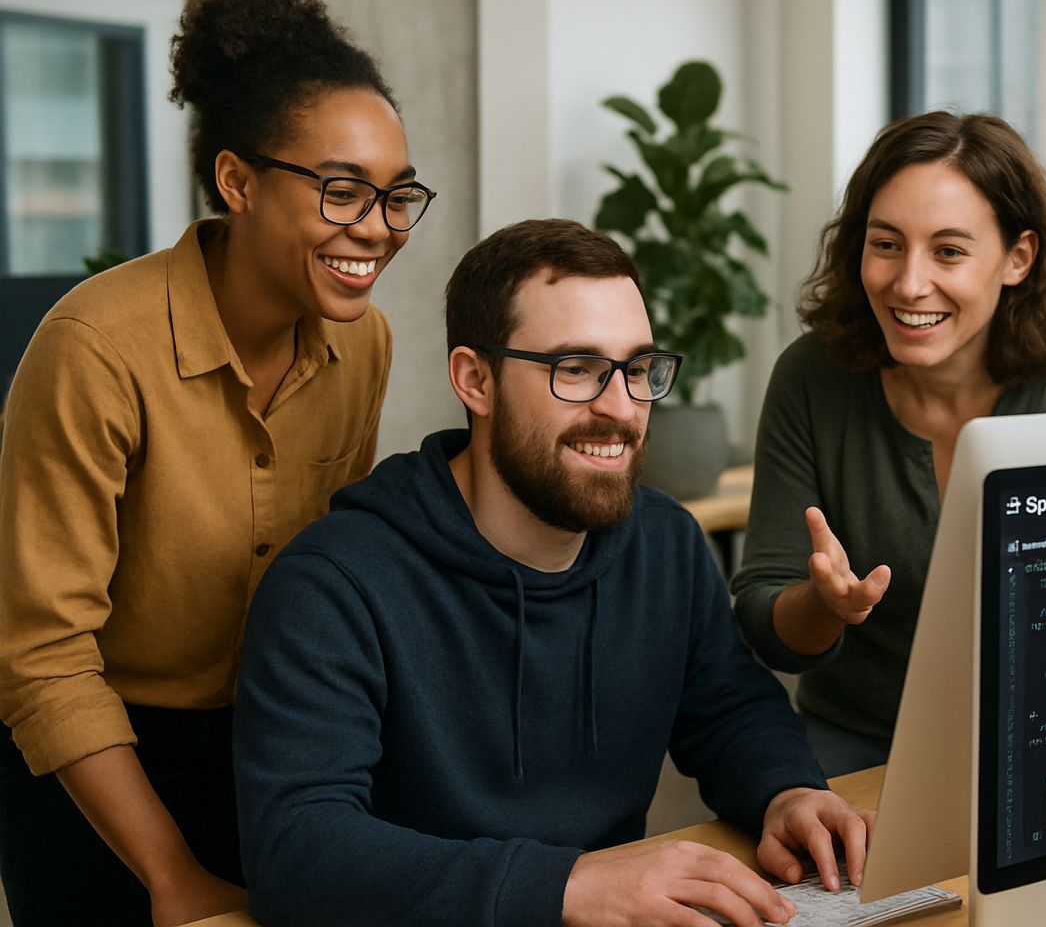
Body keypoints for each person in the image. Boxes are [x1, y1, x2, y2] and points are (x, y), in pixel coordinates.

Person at [232, 218, 870, 927]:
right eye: (576, 369)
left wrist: (786, 792)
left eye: (637, 369)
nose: (622, 407)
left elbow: (727, 709)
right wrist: (566, 885)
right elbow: (298, 853)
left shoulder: (664, 543)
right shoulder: (334, 584)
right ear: (475, 379)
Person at [0, 0, 432, 926]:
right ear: (237, 180)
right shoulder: (96, 350)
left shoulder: (364, 340)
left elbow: (334, 569)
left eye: (398, 195)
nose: (378, 227)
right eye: (342, 190)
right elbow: (41, 659)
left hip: (275, 745)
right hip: (99, 761)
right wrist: (169, 873)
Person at [731, 111, 1046, 775]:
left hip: (1041, 742)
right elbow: (762, 622)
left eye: (948, 251)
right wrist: (823, 607)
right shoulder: (813, 376)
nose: (909, 283)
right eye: (886, 244)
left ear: (1017, 258)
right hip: (856, 740)